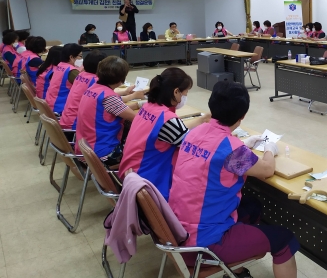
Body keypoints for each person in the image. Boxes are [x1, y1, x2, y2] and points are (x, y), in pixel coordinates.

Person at [169, 81, 299, 277]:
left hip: (176, 231)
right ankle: (230, 257)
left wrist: (243, 144)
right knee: (284, 239)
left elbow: (213, 153)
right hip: (203, 244)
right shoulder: (232, 150)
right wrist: (270, 149)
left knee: (252, 206)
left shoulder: (194, 133)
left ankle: (236, 270)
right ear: (242, 116)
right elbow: (266, 170)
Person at [119, 68, 210, 200]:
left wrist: (202, 119)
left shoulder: (149, 107)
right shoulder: (168, 120)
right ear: (176, 91)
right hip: (146, 184)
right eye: (186, 92)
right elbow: (193, 147)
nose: (186, 96)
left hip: (131, 173)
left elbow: (176, 131)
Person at [75, 56, 142, 166]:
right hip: (101, 154)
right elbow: (138, 119)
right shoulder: (109, 98)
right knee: (145, 151)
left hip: (84, 148)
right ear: (121, 79)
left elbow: (118, 109)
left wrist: (137, 104)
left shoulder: (93, 88)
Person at [59, 50, 107, 130]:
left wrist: (125, 92)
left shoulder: (81, 75)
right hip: (75, 123)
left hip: (67, 118)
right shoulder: (95, 80)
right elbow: (108, 98)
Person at [45, 43, 83, 113]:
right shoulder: (72, 71)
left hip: (50, 104)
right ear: (71, 57)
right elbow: (85, 88)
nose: (81, 59)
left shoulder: (60, 65)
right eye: (80, 56)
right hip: (60, 108)